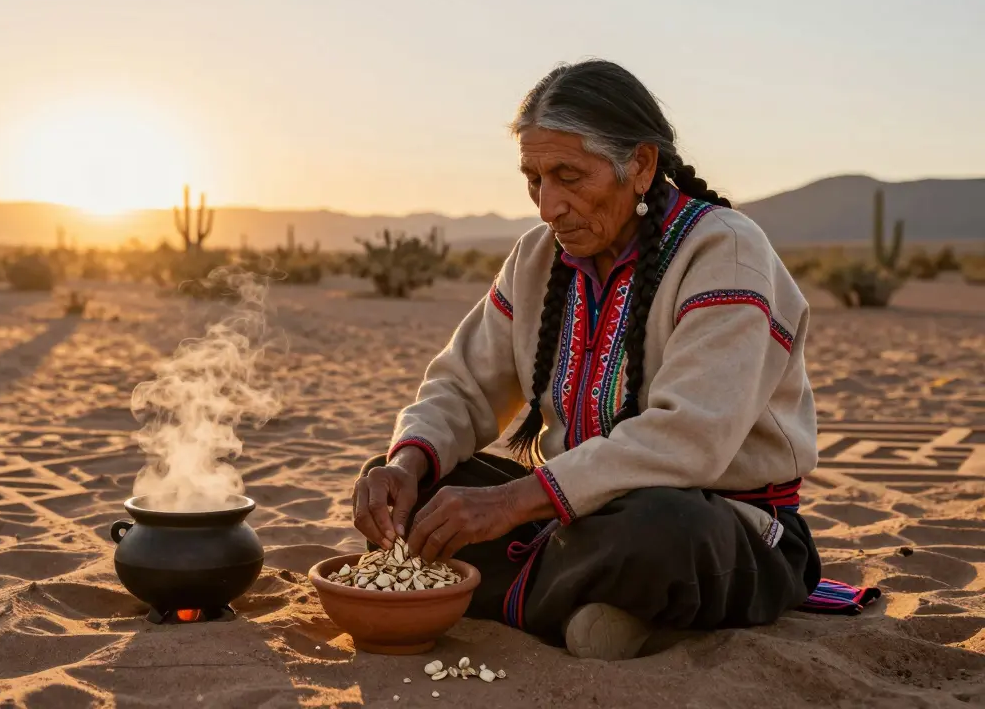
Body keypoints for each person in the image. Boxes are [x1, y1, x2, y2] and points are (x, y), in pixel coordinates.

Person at [351, 59, 878, 661]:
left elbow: (689, 438)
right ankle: (589, 608)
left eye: (569, 176)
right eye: (534, 178)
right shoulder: (536, 258)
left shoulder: (725, 251)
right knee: (406, 493)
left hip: (719, 524)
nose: (548, 205)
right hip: (568, 520)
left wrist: (510, 503)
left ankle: (521, 596)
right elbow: (462, 384)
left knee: (656, 531)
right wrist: (406, 462)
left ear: (642, 165)